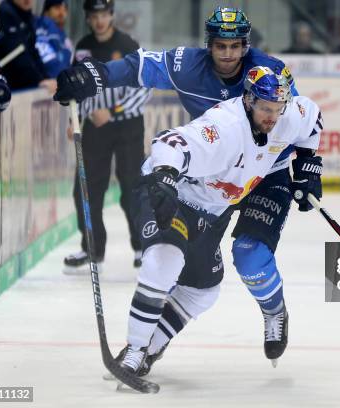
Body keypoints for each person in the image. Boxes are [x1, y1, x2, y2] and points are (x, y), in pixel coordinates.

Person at [53, 7, 322, 370]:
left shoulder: (272, 80)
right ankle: (140, 348)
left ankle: (274, 312)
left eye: (235, 46)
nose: (227, 54)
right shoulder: (217, 114)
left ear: (247, 46)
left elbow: (306, 117)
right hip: (213, 173)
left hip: (264, 171)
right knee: (169, 261)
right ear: (208, 45)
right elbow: (141, 73)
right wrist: (97, 74)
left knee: (249, 256)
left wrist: (307, 164)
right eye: (220, 46)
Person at [62, 0, 151, 274]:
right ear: (88, 18)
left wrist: (112, 110)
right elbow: (77, 86)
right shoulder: (83, 48)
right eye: (94, 16)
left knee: (132, 187)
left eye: (104, 15)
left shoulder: (128, 45)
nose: (100, 21)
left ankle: (142, 248)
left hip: (127, 127)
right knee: (86, 189)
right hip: (95, 129)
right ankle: (92, 249)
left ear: (111, 15)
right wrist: (75, 118)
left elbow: (143, 86)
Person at [0, 0, 55, 92]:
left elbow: (32, 51)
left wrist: (47, 78)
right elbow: (17, 55)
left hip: (18, 86)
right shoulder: (4, 12)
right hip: (3, 87)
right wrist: (39, 81)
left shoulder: (26, 15)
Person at [35, 0, 73, 78]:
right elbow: (50, 64)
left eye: (65, 9)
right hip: (44, 85)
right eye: (57, 8)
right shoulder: (41, 27)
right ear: (46, 11)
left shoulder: (64, 37)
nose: (62, 13)